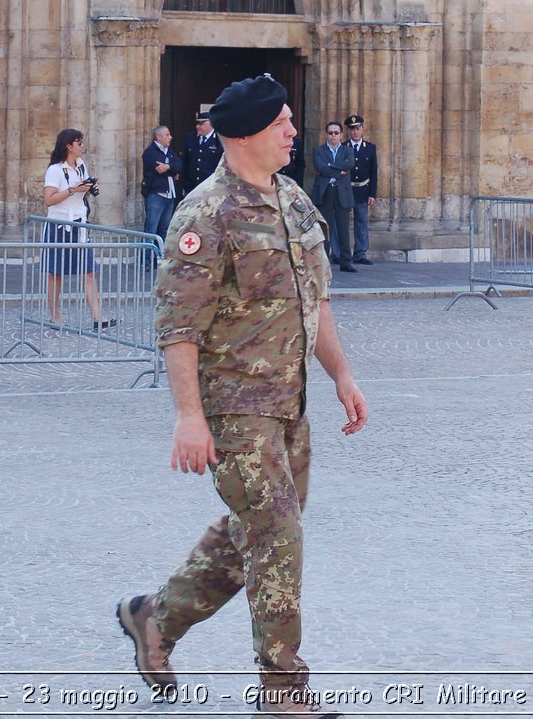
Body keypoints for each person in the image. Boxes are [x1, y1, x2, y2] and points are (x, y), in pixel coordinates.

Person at [117, 76, 368, 717]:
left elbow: (318, 302)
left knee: (256, 531)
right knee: (278, 533)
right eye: (282, 121)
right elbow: (178, 326)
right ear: (247, 134)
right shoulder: (205, 215)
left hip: (291, 401)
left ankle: (155, 618)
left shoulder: (295, 203)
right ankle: (283, 693)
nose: (294, 131)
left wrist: (341, 375)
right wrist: (187, 418)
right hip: (234, 408)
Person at [42, 128, 105, 330]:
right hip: (59, 225)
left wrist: (89, 188)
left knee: (88, 271)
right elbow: (49, 200)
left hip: (79, 223)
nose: (82, 146)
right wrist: (72, 190)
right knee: (56, 273)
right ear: (69, 146)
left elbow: (81, 192)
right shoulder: (55, 169)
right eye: (79, 143)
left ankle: (97, 317)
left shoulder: (80, 166)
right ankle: (55, 316)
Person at [311, 122, 356, 272]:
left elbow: (349, 164)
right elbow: (319, 167)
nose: (333, 136)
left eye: (336, 133)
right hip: (325, 192)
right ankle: (323, 261)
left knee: (343, 228)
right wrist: (339, 171)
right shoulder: (318, 150)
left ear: (342, 135)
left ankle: (345, 261)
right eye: (330, 133)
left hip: (341, 193)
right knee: (325, 228)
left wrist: (330, 167)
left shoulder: (348, 150)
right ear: (326, 135)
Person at [343, 115, 378, 265]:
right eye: (352, 129)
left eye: (358, 128)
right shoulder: (344, 147)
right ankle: (341, 253)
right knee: (342, 222)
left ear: (362, 129)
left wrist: (372, 193)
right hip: (346, 189)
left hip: (362, 189)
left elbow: (373, 172)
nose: (355, 132)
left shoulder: (370, 148)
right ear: (349, 131)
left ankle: (360, 253)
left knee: (361, 222)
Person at [142, 125, 183, 247]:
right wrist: (171, 169)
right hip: (156, 194)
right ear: (158, 137)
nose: (170, 137)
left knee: (164, 229)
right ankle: (147, 260)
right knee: (151, 229)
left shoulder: (170, 151)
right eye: (167, 135)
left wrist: (168, 167)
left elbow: (179, 165)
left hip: (170, 194)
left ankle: (160, 258)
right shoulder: (150, 152)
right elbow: (159, 169)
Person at [181, 111, 223, 194]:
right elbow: (186, 161)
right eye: (197, 123)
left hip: (211, 187)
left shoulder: (219, 140)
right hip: (192, 187)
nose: (198, 126)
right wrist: (185, 183)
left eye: (201, 123)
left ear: (211, 124)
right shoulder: (191, 138)